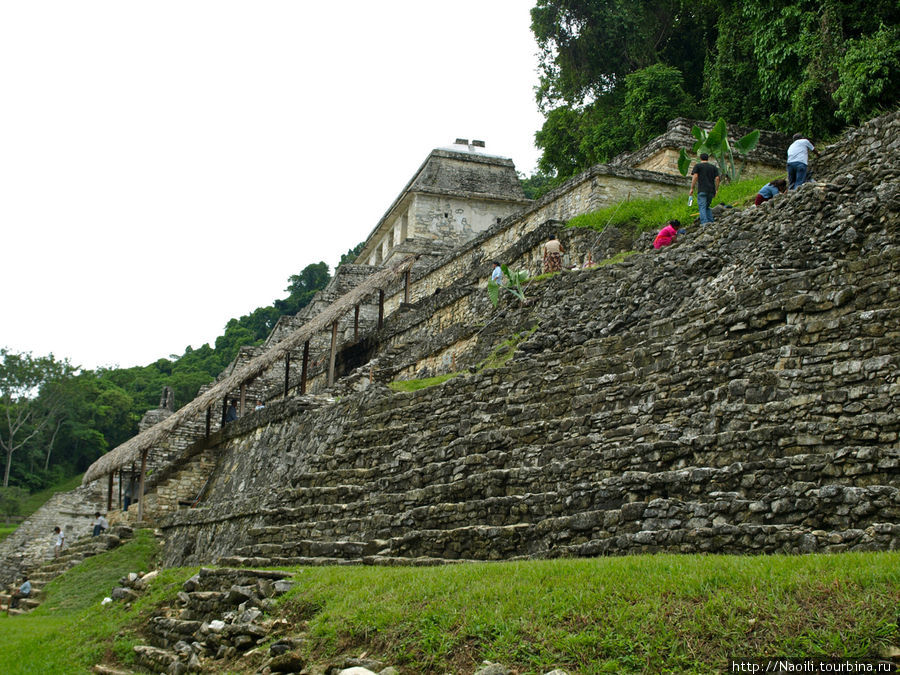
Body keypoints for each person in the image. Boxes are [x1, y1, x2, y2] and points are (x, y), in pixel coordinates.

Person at [689, 153, 720, 224]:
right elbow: (717, 178)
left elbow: (695, 176)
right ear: (708, 158)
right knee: (707, 206)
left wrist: (692, 188)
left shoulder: (698, 166)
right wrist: (716, 189)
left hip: (702, 189)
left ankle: (704, 223)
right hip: (711, 190)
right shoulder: (713, 167)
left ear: (700, 158)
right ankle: (711, 221)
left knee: (702, 207)